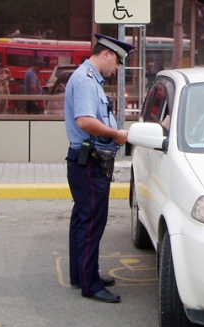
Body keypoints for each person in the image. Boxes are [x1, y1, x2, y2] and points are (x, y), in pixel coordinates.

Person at [65, 33, 134, 303]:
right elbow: (84, 121)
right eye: (117, 61)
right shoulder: (85, 80)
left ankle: (80, 274)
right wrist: (116, 134)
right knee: (91, 222)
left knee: (82, 220)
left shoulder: (90, 78)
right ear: (106, 54)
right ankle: (90, 284)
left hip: (86, 160)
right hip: (88, 161)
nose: (117, 68)